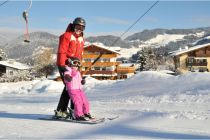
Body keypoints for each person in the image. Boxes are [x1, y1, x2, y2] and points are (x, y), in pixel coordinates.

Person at [55, 17, 86, 118]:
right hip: (65, 65)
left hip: (74, 66)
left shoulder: (81, 38)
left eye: (82, 28)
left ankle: (71, 110)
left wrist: (79, 67)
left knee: (72, 88)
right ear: (73, 25)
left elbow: (80, 54)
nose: (79, 29)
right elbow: (62, 51)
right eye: (77, 26)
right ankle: (63, 111)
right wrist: (62, 65)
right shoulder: (67, 36)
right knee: (70, 88)